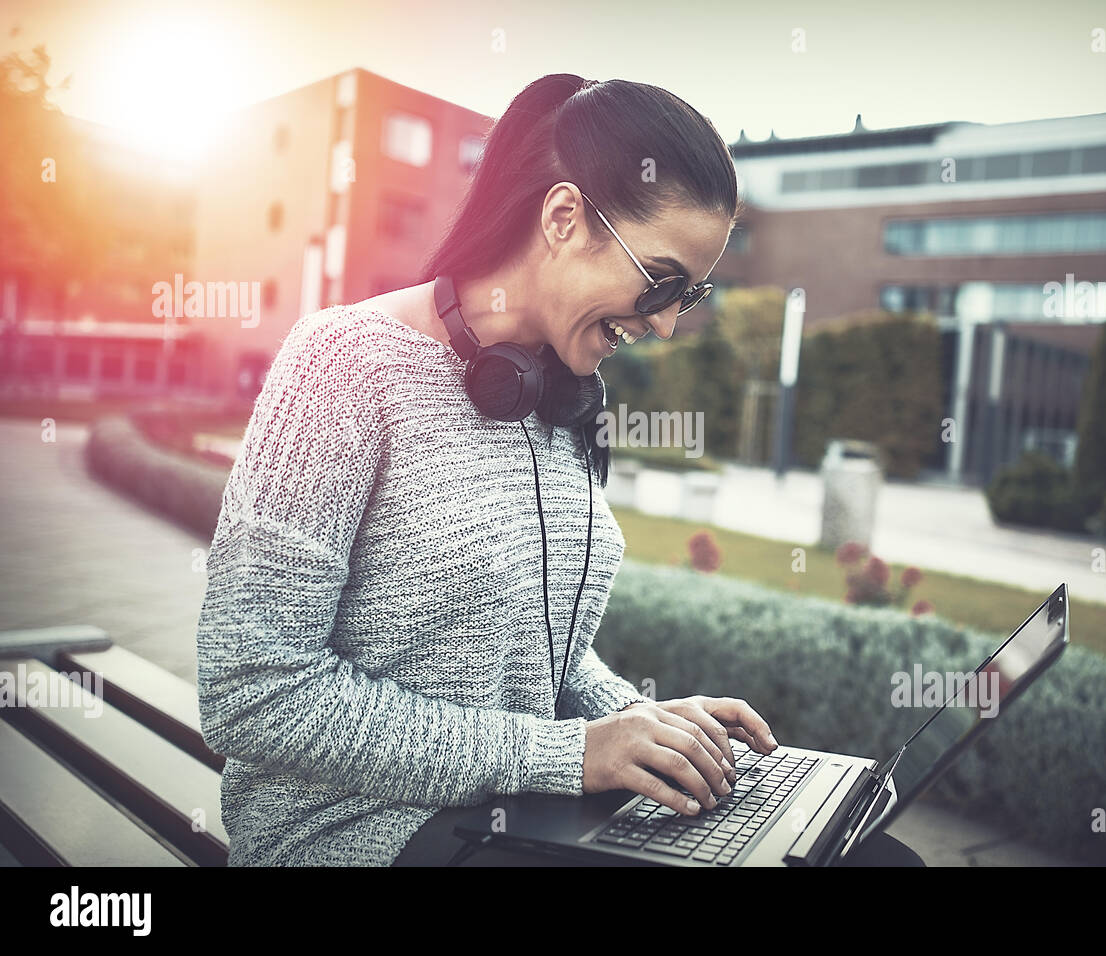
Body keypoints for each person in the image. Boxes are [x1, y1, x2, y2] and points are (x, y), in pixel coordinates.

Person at [195, 72, 924, 868]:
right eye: (661, 280)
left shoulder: (556, 394)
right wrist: (572, 755)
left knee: (873, 860)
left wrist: (648, 731)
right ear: (565, 216)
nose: (670, 325)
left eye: (694, 292)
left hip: (506, 811)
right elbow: (253, 694)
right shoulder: (340, 365)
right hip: (349, 834)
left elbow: (536, 653)